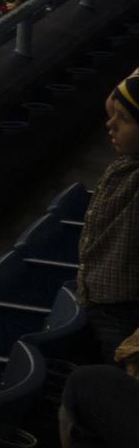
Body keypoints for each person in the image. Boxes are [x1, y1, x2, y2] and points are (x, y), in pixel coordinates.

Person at [81, 67, 139, 350]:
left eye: (124, 119)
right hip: (100, 299)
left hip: (124, 314)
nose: (110, 124)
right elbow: (112, 100)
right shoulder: (127, 158)